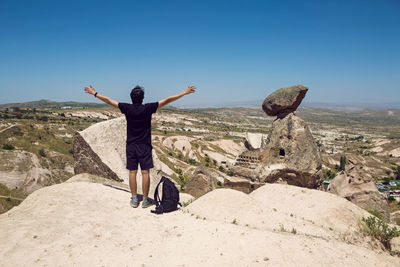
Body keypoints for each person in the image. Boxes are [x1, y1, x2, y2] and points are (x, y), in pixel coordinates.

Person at [84, 84, 196, 208]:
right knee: (145, 173)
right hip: (144, 145)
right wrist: (184, 93)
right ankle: (145, 200)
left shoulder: (126, 108)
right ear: (143, 98)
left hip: (131, 145)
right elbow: (167, 100)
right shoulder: (148, 108)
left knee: (132, 172)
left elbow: (108, 101)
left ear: (131, 97)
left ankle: (133, 198)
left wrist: (94, 93)